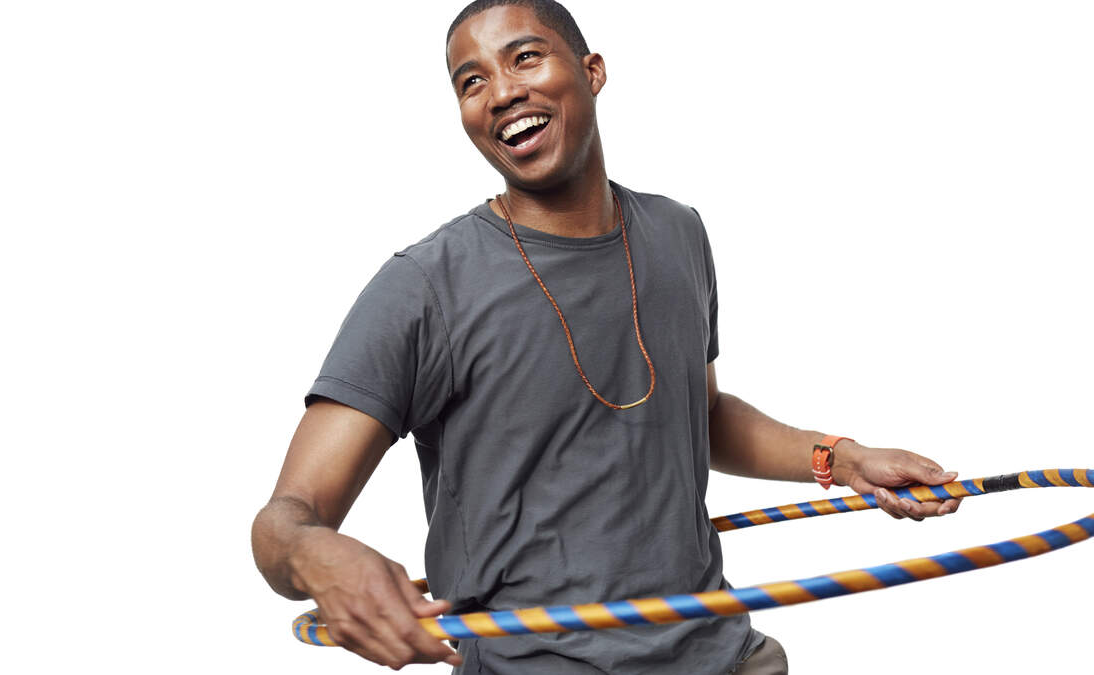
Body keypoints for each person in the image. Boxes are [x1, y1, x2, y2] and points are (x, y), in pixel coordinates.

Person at [251, 1, 962, 673]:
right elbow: (285, 518)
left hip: (722, 653)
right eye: (471, 82)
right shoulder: (424, 285)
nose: (501, 92)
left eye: (524, 58)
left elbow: (700, 416)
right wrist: (317, 557)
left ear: (592, 71)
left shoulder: (678, 232)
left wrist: (841, 457)